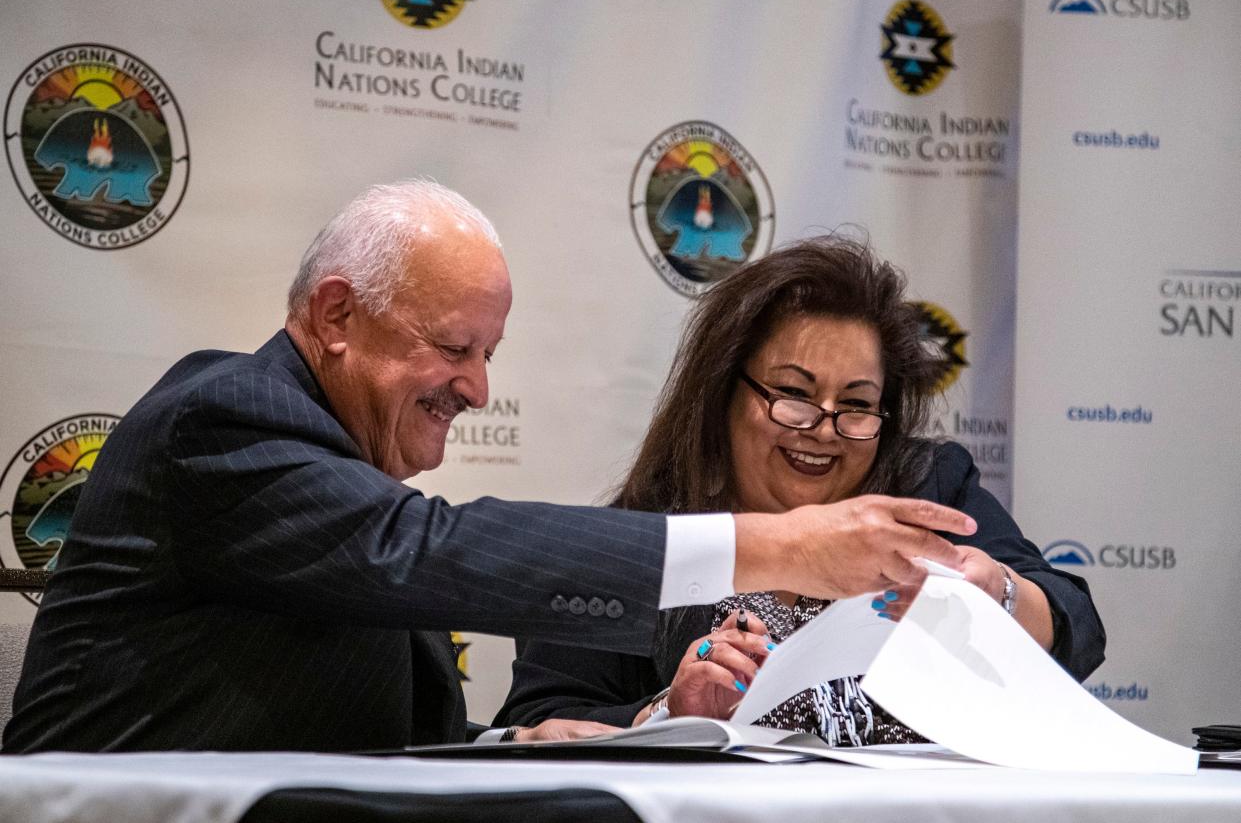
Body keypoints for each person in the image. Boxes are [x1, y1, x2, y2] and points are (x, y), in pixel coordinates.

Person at [2, 183, 978, 753]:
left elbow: (351, 723)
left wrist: (507, 746)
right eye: (452, 347)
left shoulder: (343, 470)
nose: (475, 388)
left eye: (488, 354)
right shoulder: (222, 421)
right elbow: (423, 552)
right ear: (336, 316)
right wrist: (778, 549)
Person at [496, 238, 1105, 743]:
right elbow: (530, 724)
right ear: (724, 391)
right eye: (794, 394)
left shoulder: (929, 489)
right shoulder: (644, 539)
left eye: (858, 405)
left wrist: (995, 593)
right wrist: (667, 716)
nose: (824, 428)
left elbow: (1077, 625)